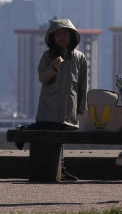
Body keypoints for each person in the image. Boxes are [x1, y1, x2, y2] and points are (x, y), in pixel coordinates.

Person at [27, 18, 88, 181]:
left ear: (72, 36)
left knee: (62, 139)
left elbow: (83, 84)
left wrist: (81, 106)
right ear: (52, 38)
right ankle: (54, 170)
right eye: (58, 34)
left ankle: (62, 169)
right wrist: (53, 67)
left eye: (65, 33)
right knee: (50, 141)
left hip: (69, 108)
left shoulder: (80, 58)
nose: (61, 37)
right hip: (49, 108)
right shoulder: (47, 56)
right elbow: (42, 77)